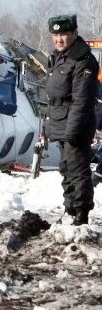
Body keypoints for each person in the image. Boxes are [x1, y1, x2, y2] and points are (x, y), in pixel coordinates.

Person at [45, 14, 99, 225]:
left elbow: (82, 100)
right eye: (55, 35)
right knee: (66, 170)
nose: (59, 39)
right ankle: (69, 209)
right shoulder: (59, 56)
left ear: (74, 34)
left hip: (74, 124)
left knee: (78, 171)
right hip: (60, 122)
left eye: (64, 34)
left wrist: (73, 130)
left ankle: (81, 213)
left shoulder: (82, 60)